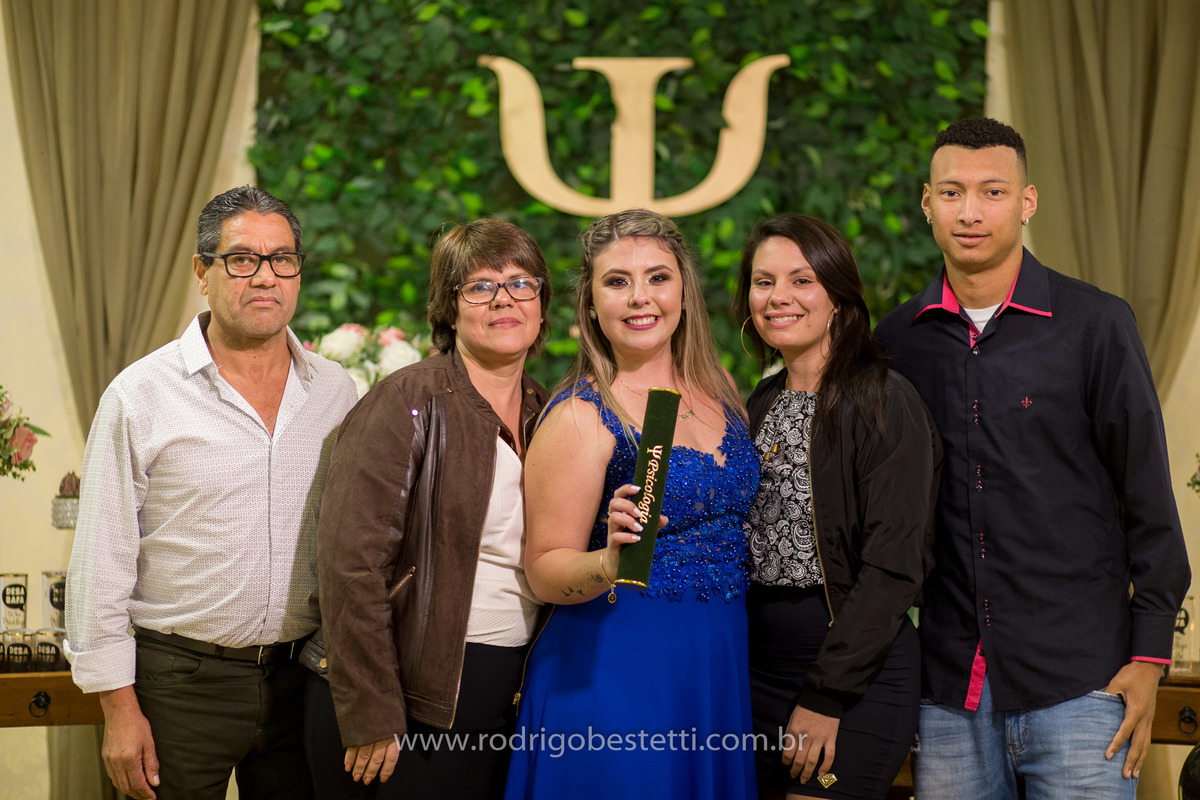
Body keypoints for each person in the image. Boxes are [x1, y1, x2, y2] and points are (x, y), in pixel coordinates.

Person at [875, 117, 1191, 798]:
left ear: (1027, 202)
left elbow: (1147, 496)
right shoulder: (898, 340)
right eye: (952, 192)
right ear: (927, 203)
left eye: (992, 192)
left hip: (1082, 681)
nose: (970, 212)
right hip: (951, 687)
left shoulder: (1096, 325)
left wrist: (1149, 655)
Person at [64, 185, 359, 800]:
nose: (265, 278)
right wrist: (119, 710)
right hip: (177, 683)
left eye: (282, 259)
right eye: (242, 259)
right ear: (203, 271)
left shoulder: (336, 391)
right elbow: (101, 560)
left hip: (301, 677)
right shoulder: (139, 395)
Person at [505, 209, 761, 800]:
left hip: (713, 666)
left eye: (657, 278)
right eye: (617, 281)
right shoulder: (581, 415)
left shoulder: (720, 387)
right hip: (616, 669)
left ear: (683, 291)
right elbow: (544, 571)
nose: (640, 297)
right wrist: (608, 562)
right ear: (591, 304)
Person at [303, 219, 552, 799]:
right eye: (480, 286)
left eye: (521, 283)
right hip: (406, 692)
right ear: (449, 307)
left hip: (506, 687)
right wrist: (371, 711)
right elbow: (351, 567)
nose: (504, 300)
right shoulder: (404, 400)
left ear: (542, 303)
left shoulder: (550, 408)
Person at [736, 214, 942, 799]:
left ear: (838, 296)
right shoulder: (762, 401)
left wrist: (825, 698)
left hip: (853, 678)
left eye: (802, 281)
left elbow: (893, 566)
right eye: (763, 281)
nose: (778, 298)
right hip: (757, 671)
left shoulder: (883, 400)